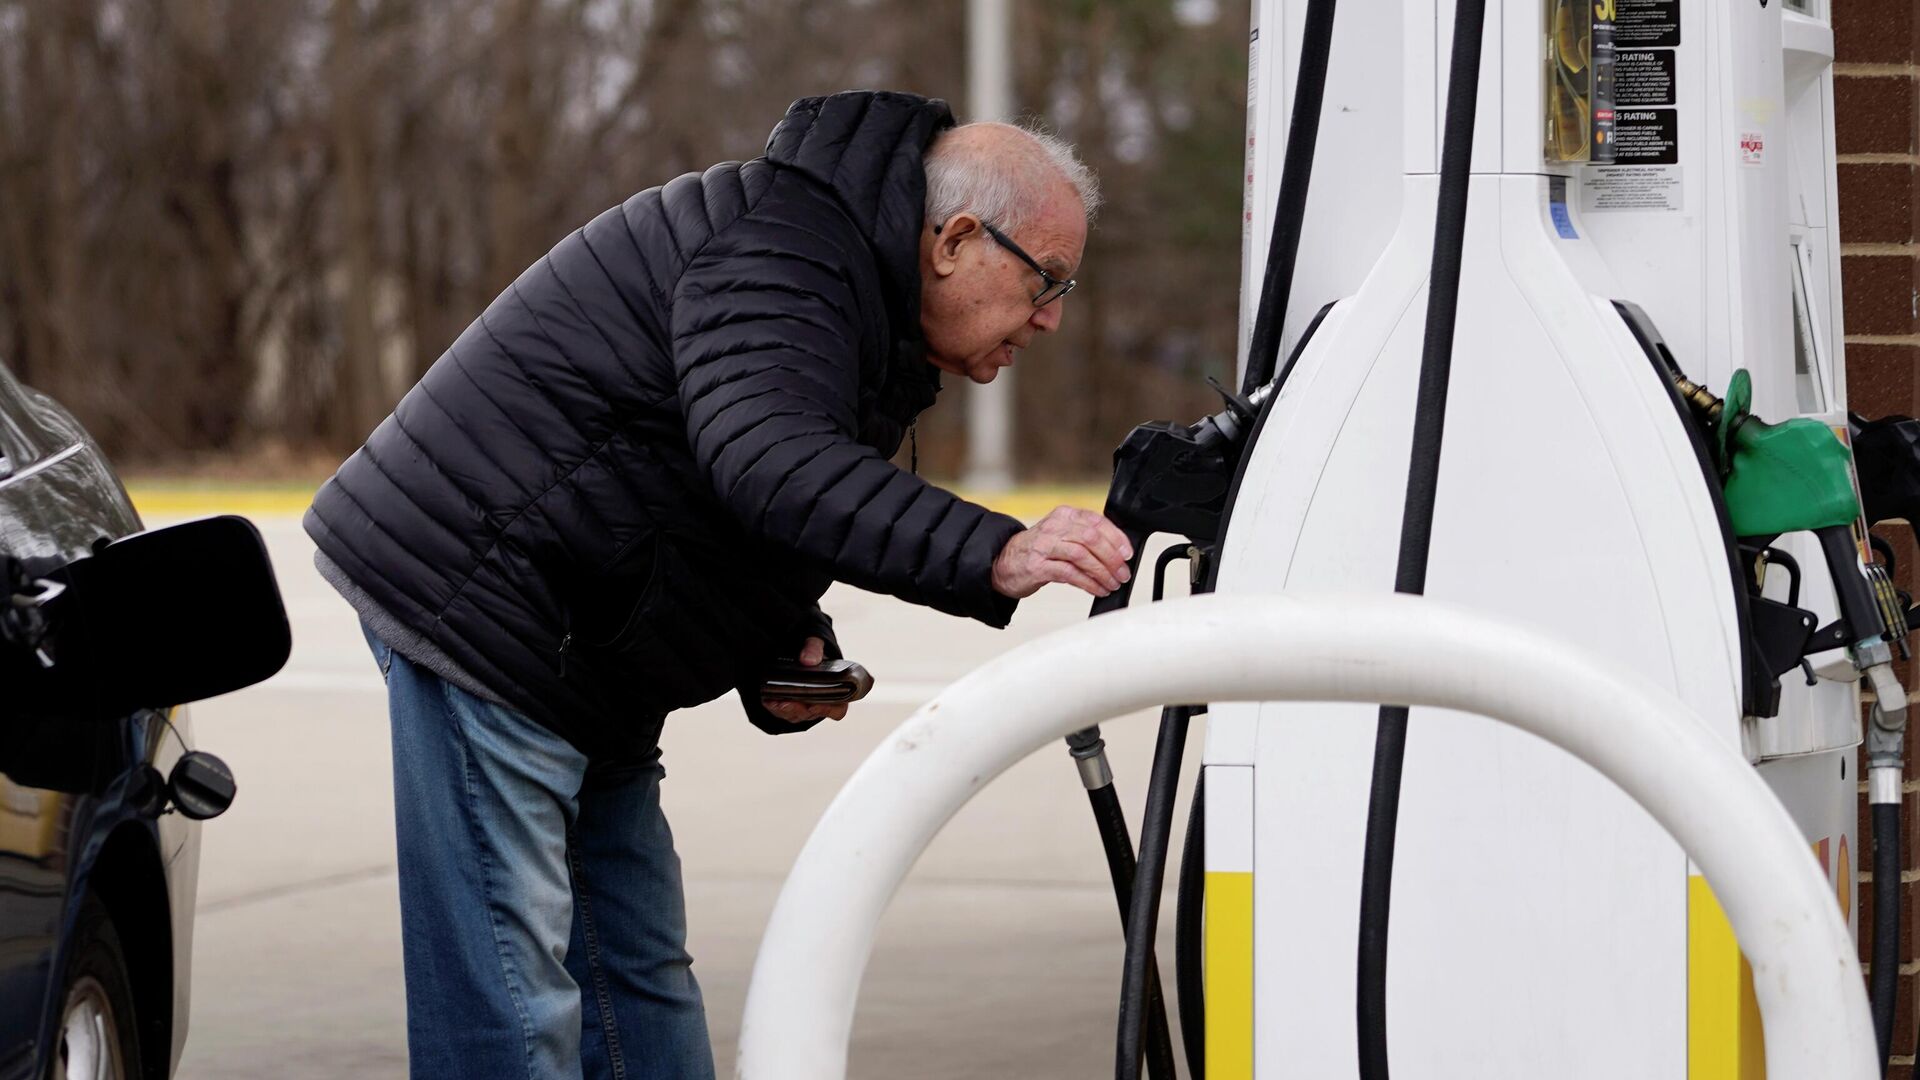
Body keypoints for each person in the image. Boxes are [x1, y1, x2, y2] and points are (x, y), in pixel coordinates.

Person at [304, 89, 1133, 1079]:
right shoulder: (779, 254)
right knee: (515, 1000)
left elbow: (724, 493)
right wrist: (993, 550)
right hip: (484, 600)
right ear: (955, 238)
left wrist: (780, 643)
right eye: (1048, 281)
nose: (1047, 319)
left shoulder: (845, 285)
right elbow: (770, 461)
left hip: (586, 639)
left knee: (636, 975)